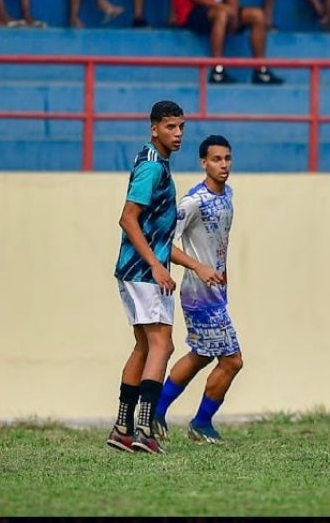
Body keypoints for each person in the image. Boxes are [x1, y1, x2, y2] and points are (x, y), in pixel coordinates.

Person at [106, 100, 187, 454]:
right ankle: (144, 429)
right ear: (154, 128)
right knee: (162, 346)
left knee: (143, 345)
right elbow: (128, 217)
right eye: (170, 127)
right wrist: (155, 264)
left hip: (133, 269)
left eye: (181, 126)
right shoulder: (153, 169)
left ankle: (122, 428)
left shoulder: (151, 161)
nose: (178, 133)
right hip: (143, 271)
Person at [153, 135, 241, 445]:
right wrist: (198, 267)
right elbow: (163, 243)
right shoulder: (194, 202)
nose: (224, 165)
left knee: (202, 354)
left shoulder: (227, 195)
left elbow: (218, 243)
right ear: (203, 162)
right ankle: (201, 423)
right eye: (217, 159)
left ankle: (155, 411)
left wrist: (222, 273)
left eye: (227, 158)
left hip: (215, 293)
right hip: (198, 294)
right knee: (232, 361)